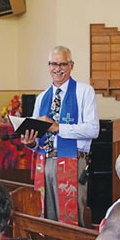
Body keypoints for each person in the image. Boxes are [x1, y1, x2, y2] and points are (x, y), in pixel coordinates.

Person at [19, 45, 99, 227]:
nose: (58, 68)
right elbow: (38, 138)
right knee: (47, 218)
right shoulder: (42, 98)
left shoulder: (84, 92)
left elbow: (93, 129)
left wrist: (58, 127)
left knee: (71, 220)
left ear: (71, 65)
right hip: (45, 163)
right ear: (48, 66)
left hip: (72, 162)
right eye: (53, 64)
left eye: (62, 64)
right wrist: (30, 142)